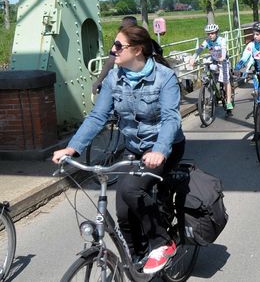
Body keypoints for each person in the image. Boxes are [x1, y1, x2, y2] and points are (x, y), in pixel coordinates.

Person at [53, 25, 185, 275]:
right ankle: (136, 260)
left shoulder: (164, 77)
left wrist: (159, 150)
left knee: (131, 190)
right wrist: (72, 148)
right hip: (134, 148)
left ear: (137, 50)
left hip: (165, 147)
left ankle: (162, 243)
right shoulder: (114, 78)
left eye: (118, 46)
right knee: (123, 211)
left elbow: (171, 119)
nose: (112, 51)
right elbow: (97, 117)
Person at [92, 16, 163, 94]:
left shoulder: (146, 42)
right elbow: (110, 61)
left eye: (127, 28)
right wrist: (99, 81)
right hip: (126, 79)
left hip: (148, 79)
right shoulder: (114, 76)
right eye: (122, 28)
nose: (114, 49)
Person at [190, 23, 233, 112]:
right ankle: (212, 90)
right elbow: (200, 49)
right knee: (207, 74)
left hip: (223, 61)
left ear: (216, 33)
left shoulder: (222, 40)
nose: (210, 35)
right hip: (214, 60)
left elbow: (224, 49)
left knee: (225, 80)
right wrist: (193, 58)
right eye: (208, 33)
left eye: (212, 33)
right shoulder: (207, 41)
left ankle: (229, 101)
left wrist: (222, 57)